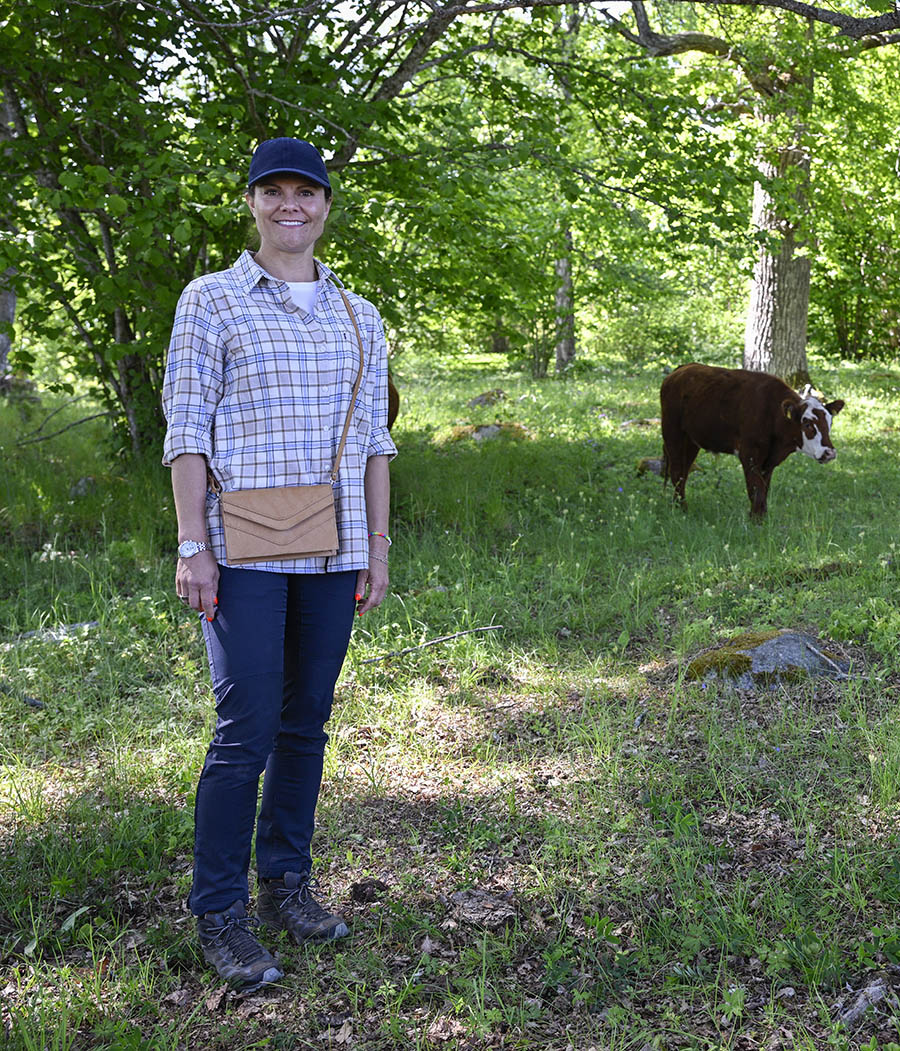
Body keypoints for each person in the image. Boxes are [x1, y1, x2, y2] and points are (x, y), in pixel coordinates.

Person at [162, 137, 396, 989]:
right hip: (242, 551)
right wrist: (194, 544)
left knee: (307, 723)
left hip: (334, 549)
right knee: (244, 729)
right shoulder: (213, 300)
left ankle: (286, 883)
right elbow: (187, 429)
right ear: (252, 202)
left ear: (327, 205)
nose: (291, 205)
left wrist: (377, 544)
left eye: (307, 191)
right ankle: (217, 910)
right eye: (275, 191)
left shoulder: (358, 314)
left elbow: (375, 441)